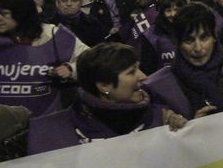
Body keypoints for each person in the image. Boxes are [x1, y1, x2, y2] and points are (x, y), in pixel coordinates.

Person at [27, 43, 168, 154]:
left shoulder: (163, 118)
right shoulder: (47, 135)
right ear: (104, 85)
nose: (143, 76)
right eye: (131, 72)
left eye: (139, 68)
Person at [0, 0, 89, 116]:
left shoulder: (54, 35)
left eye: (4, 14)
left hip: (47, 121)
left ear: (21, 14)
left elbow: (91, 61)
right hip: (1, 123)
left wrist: (70, 69)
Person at [144, 3, 223, 120]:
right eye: (189, 40)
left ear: (214, 37)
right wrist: (191, 128)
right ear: (177, 43)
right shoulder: (160, 89)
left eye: (204, 37)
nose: (198, 48)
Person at [139, 0, 182, 74]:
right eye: (168, 11)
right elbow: (147, 69)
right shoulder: (150, 36)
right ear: (162, 12)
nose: (173, 14)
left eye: (176, 10)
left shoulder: (187, 29)